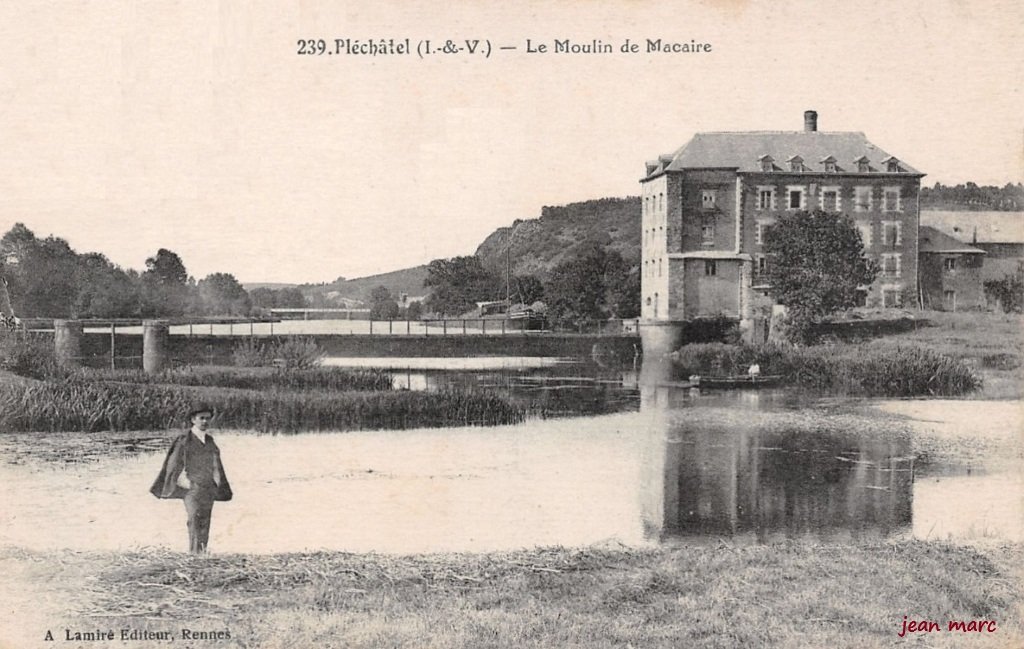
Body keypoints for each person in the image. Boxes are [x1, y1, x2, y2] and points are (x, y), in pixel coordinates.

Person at [150, 404, 233, 553]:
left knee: (205, 520)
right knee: (194, 518)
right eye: (201, 418)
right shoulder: (184, 439)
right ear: (193, 420)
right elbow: (173, 464)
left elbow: (216, 464)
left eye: (208, 418)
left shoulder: (209, 440)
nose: (205, 422)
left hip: (208, 487)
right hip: (192, 488)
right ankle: (194, 554)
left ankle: (202, 554)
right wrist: (185, 482)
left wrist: (218, 483)